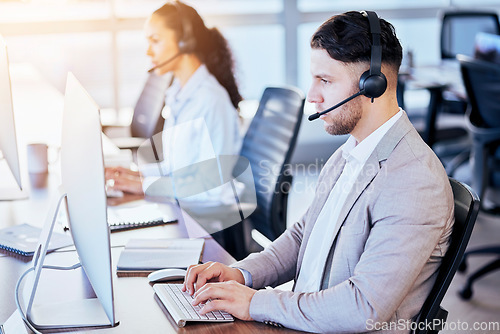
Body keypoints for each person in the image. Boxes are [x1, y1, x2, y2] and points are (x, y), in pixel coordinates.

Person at [182, 11, 455, 333]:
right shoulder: (351, 152)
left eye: (325, 81)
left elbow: (362, 308)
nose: (312, 96)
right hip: (303, 321)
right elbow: (302, 235)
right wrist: (241, 274)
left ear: (373, 84)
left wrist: (254, 302)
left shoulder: (413, 181)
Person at [106, 0, 242, 206]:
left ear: (184, 42)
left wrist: (144, 185)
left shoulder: (211, 101)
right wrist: (136, 174)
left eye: (155, 41)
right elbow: (178, 167)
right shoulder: (179, 93)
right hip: (185, 207)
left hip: (208, 222)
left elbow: (214, 187)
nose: (148, 52)